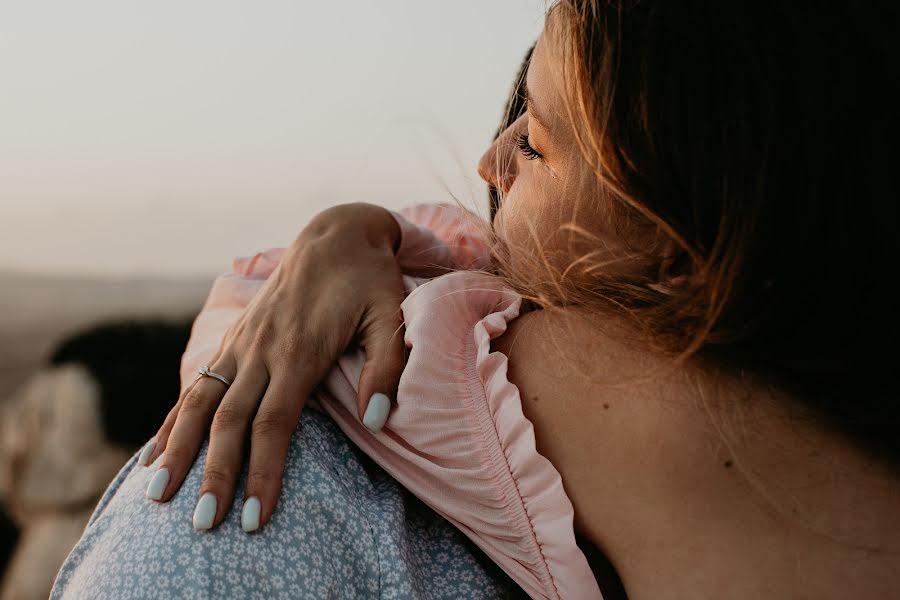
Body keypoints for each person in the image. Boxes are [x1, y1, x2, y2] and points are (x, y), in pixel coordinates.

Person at [55, 1, 900, 598]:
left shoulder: (450, 383)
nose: (490, 162)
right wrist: (350, 234)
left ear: (682, 256)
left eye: (532, 141)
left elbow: (250, 327)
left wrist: (318, 257)